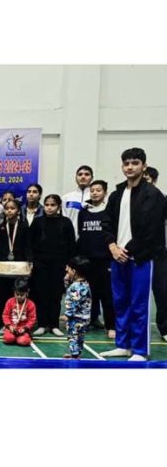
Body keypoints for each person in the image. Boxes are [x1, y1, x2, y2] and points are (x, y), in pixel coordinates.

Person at [101, 148, 166, 361]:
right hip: (117, 256)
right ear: (122, 166)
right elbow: (106, 223)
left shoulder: (153, 195)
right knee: (120, 301)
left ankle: (139, 350)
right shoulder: (117, 194)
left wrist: (125, 251)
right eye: (126, 163)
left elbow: (151, 230)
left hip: (141, 258)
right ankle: (124, 344)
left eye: (135, 163)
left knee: (139, 304)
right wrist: (112, 246)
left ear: (144, 166)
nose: (130, 167)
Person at [29, 194, 77, 337]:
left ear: (58, 206)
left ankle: (54, 324)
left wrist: (70, 265)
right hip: (40, 264)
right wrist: (32, 261)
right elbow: (30, 243)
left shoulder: (66, 222)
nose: (49, 208)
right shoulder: (37, 222)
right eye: (47, 205)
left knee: (55, 295)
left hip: (59, 265)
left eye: (53, 205)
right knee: (42, 294)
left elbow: (71, 245)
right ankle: (42, 324)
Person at [77, 180, 116, 337]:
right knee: (88, 294)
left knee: (107, 294)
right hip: (88, 260)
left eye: (98, 190)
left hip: (105, 259)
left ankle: (111, 325)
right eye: (92, 190)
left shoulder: (109, 211)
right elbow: (81, 234)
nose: (94, 193)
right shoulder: (83, 212)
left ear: (105, 193)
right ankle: (89, 321)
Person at [0, 199, 32, 328]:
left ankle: (18, 320)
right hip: (3, 263)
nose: (9, 211)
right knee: (1, 293)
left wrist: (30, 260)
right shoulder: (0, 225)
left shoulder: (24, 226)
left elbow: (28, 245)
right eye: (7, 208)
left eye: (12, 208)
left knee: (14, 292)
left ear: (18, 210)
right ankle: (1, 321)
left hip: (19, 264)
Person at [143, 171, 167, 343]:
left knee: (163, 291)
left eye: (148, 180)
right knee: (150, 293)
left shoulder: (162, 199)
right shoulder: (130, 200)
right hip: (143, 253)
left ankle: (164, 327)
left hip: (161, 253)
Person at [60, 256, 92, 359]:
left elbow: (74, 301)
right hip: (85, 317)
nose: (66, 270)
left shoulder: (76, 287)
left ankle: (74, 355)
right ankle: (77, 353)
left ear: (74, 271)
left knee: (73, 336)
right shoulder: (85, 284)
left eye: (68, 268)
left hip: (76, 318)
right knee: (80, 337)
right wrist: (66, 280)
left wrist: (67, 315)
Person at [1, 277, 37, 347]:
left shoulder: (31, 304)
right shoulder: (10, 302)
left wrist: (25, 328)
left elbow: (32, 319)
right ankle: (13, 337)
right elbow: (5, 315)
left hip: (23, 329)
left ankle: (24, 337)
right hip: (11, 328)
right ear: (14, 292)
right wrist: (9, 326)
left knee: (23, 341)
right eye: (17, 294)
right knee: (8, 339)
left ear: (27, 292)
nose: (19, 297)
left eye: (22, 295)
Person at [62, 165, 94, 238]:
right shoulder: (66, 198)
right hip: (70, 239)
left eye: (87, 174)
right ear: (76, 177)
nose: (83, 177)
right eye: (80, 174)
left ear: (92, 178)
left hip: (90, 239)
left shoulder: (97, 198)